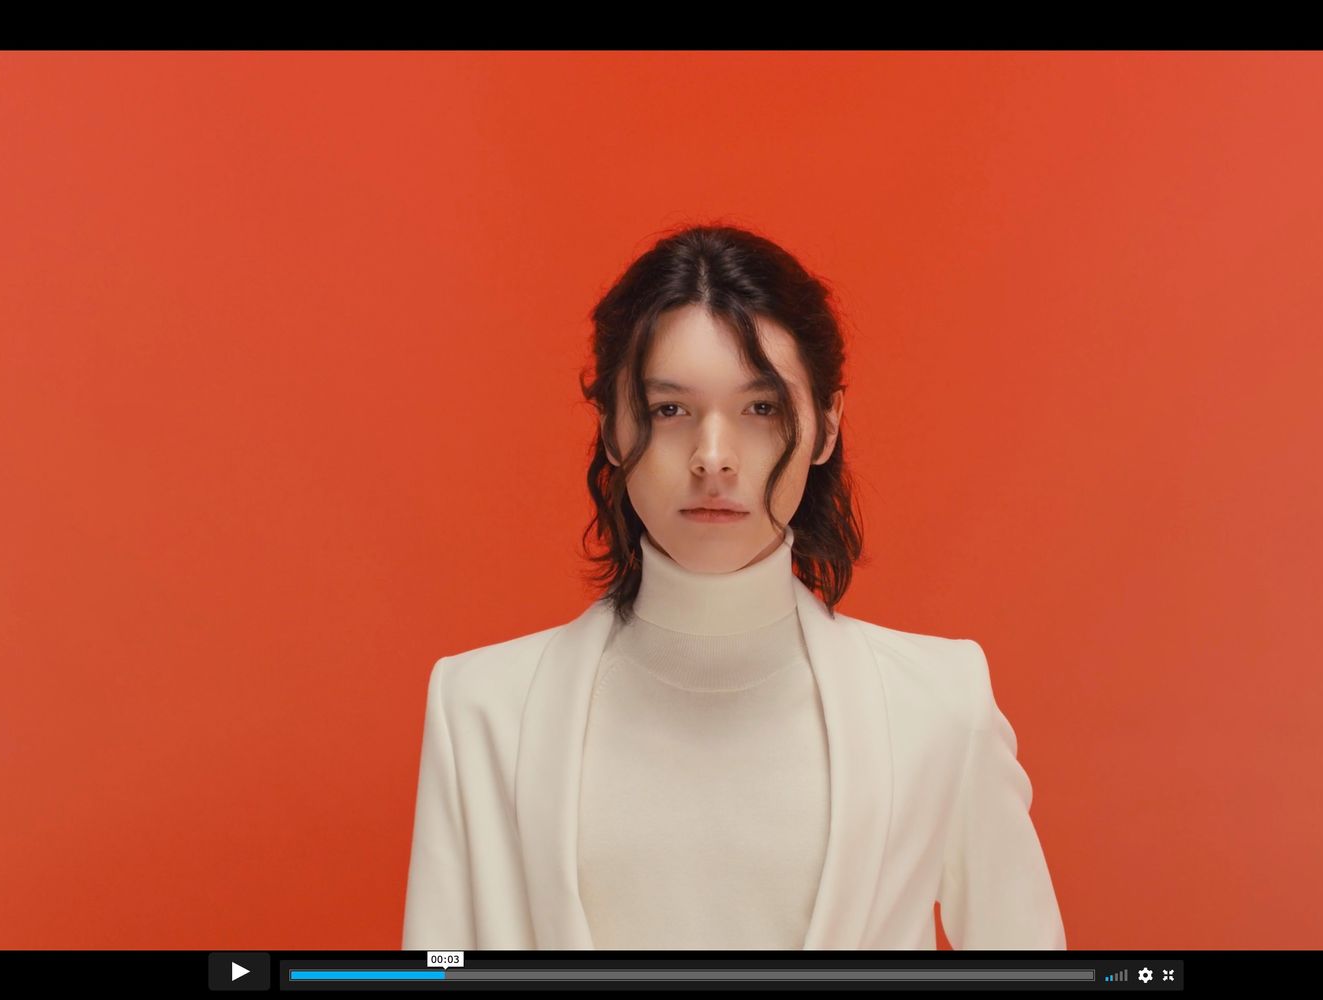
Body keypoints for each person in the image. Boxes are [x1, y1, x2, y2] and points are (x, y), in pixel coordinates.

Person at [402, 223, 1066, 950]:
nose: (712, 458)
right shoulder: (479, 710)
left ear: (825, 425)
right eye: (669, 409)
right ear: (613, 430)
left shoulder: (942, 705)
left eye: (761, 409)